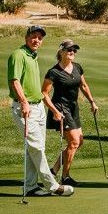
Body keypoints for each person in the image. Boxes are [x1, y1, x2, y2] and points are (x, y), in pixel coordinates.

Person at [8, 25, 73, 197]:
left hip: (38, 108)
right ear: (26, 37)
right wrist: (23, 102)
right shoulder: (18, 54)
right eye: (34, 36)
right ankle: (52, 186)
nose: (37, 40)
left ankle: (30, 186)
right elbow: (14, 81)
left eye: (40, 38)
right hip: (25, 108)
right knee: (36, 147)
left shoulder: (33, 56)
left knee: (35, 148)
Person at [42, 39, 97, 186]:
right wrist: (54, 111)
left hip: (73, 108)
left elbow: (83, 86)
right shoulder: (54, 72)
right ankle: (65, 176)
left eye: (74, 50)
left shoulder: (77, 67)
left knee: (79, 142)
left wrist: (92, 101)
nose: (72, 52)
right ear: (61, 52)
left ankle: (53, 170)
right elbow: (44, 93)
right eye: (69, 49)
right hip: (61, 109)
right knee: (73, 142)